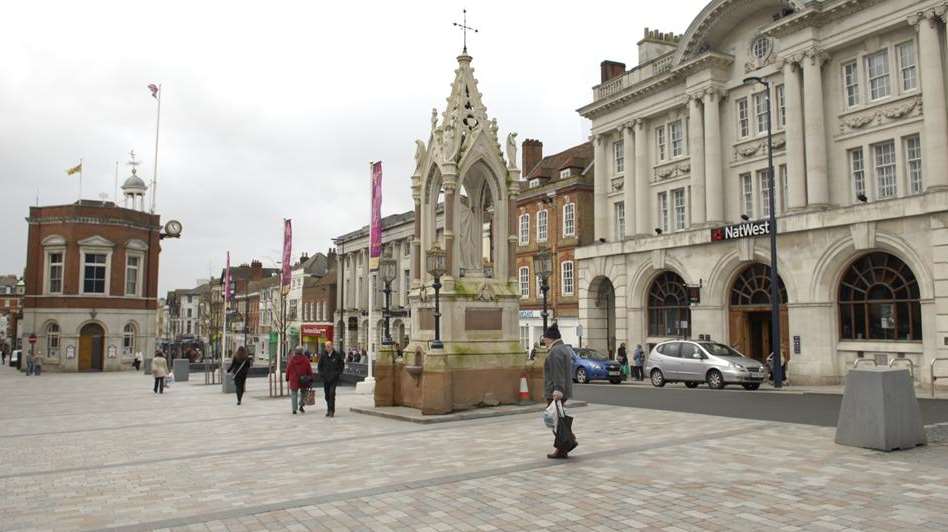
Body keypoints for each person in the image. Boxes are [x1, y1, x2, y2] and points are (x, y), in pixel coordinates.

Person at [542, 323, 575, 459]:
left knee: (555, 420)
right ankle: (567, 444)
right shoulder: (563, 348)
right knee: (559, 419)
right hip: (561, 390)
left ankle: (564, 445)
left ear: (550, 338)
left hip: (555, 392)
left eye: (544, 337)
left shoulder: (555, 351)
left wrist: (557, 390)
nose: (543, 340)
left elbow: (558, 373)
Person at [317, 341, 345, 417]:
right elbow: (319, 366)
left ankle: (331, 410)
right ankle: (328, 409)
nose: (327, 348)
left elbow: (341, 365)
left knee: (332, 393)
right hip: (326, 379)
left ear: (332, 346)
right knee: (327, 395)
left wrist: (338, 373)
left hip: (334, 378)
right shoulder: (323, 355)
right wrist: (321, 374)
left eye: (328, 346)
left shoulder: (337, 355)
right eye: (326, 346)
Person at [286, 346, 313, 415]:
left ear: (295, 351)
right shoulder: (305, 359)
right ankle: (301, 405)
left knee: (294, 394)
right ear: (302, 352)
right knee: (303, 392)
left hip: (294, 379)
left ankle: (294, 409)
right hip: (303, 379)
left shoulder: (292, 360)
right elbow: (309, 369)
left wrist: (287, 378)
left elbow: (288, 369)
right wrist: (311, 377)